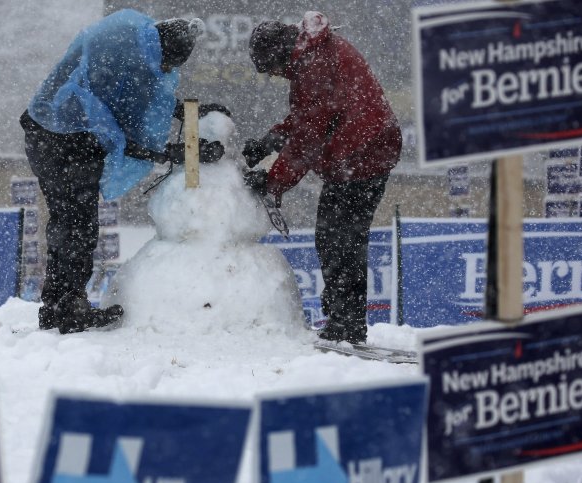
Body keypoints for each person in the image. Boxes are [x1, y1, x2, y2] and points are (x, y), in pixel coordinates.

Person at [21, 9, 226, 334]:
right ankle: (70, 307)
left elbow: (145, 98)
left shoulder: (135, 40)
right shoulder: (124, 60)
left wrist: (186, 112)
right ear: (164, 53)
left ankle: (56, 306)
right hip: (65, 139)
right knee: (78, 224)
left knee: (67, 221)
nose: (167, 71)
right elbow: (121, 131)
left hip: (48, 132)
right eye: (169, 64)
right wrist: (173, 152)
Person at [242, 11, 401, 345]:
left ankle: (347, 325)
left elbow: (308, 138)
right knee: (337, 239)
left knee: (340, 241)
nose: (274, 75)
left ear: (278, 54)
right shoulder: (313, 56)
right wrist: (272, 139)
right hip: (362, 153)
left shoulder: (313, 66)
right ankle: (345, 321)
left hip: (361, 157)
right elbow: (311, 117)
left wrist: (273, 181)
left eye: (270, 67)